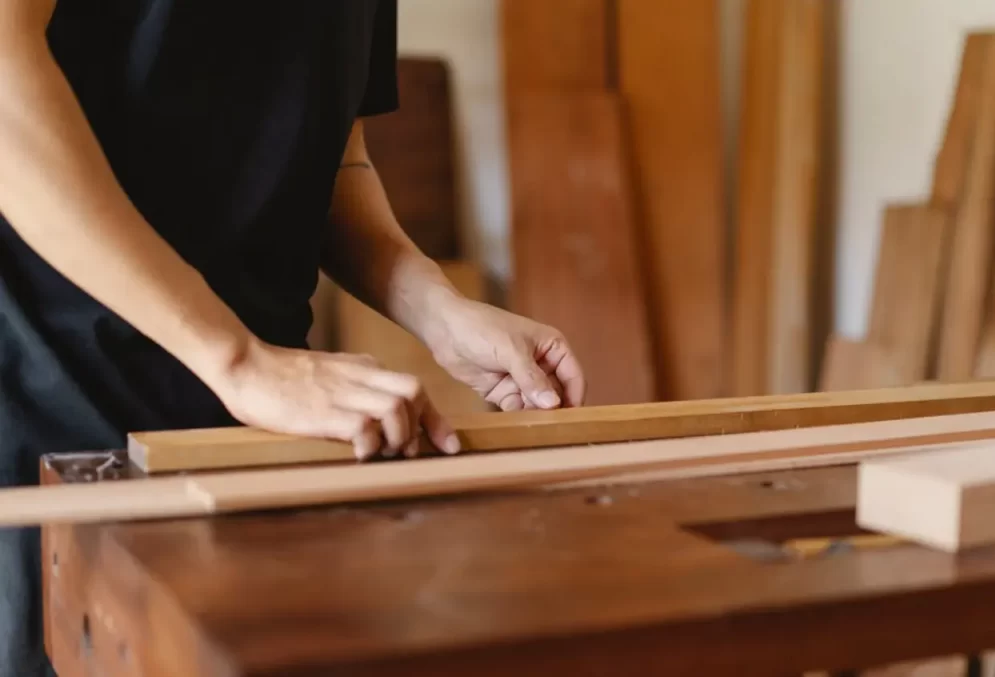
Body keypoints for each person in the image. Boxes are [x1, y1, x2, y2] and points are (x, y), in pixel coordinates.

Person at [0, 2, 586, 675]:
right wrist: (238, 359)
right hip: (51, 429)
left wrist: (439, 309)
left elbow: (334, 160)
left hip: (261, 441)